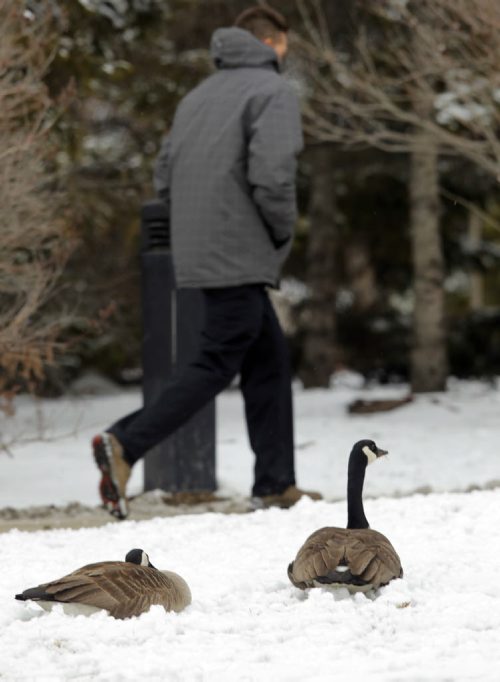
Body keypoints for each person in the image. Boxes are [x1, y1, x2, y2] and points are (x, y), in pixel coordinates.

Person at [92, 5, 321, 519]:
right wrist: (279, 231)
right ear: (273, 42)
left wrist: (200, 229)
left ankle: (276, 484)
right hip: (240, 249)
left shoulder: (197, 98)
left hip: (201, 247)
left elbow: (165, 176)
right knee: (217, 360)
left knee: (268, 363)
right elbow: (274, 176)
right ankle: (125, 443)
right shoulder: (272, 92)